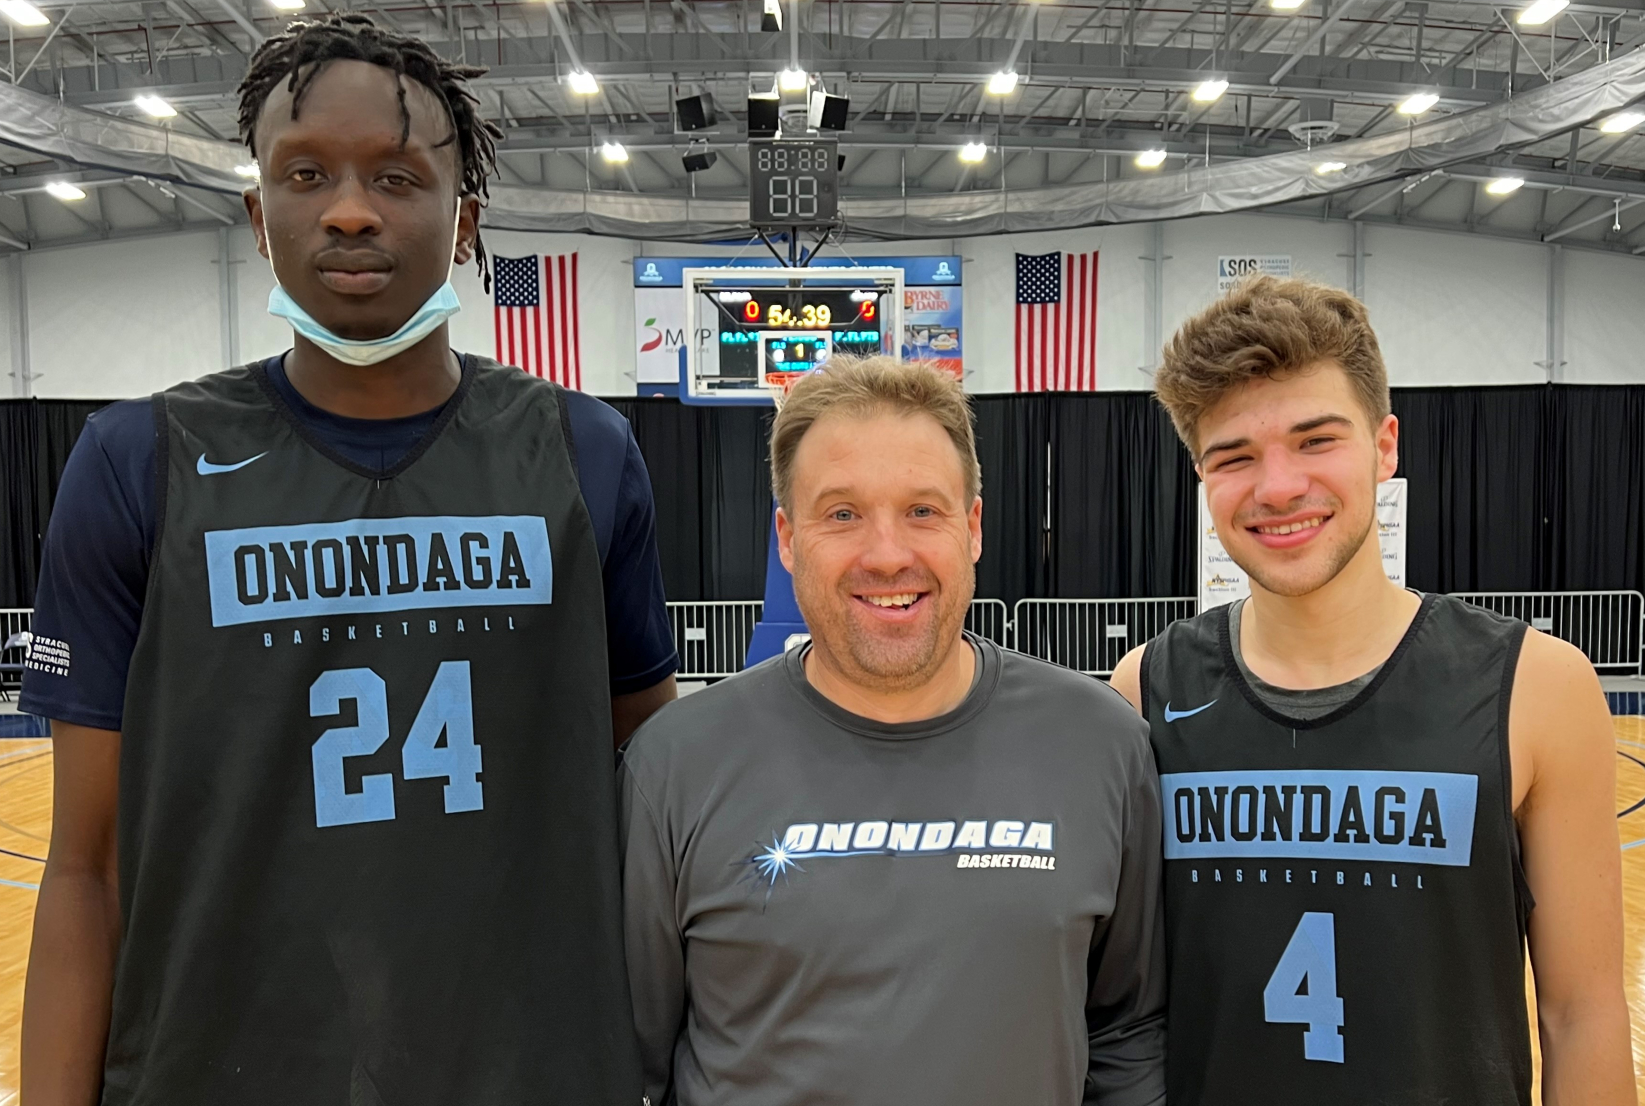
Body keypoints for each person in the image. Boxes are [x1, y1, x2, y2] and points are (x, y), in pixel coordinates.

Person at [20, 14, 674, 1104]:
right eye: (306, 172)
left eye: (399, 176)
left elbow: (657, 805)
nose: (353, 207)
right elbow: (82, 869)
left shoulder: (582, 451)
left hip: (533, 1069)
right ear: (255, 213)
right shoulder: (137, 461)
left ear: (465, 224)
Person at [1110, 275, 1634, 1105]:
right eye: (1233, 456)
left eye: (1315, 440)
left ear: (1385, 445)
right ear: (1199, 476)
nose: (1276, 486)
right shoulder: (1144, 686)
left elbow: (1582, 1016)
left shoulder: (1538, 684)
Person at [620, 357, 1166, 1106]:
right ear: (786, 538)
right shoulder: (674, 764)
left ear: (971, 528)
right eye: (841, 514)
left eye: (922, 511)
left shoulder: (1102, 742)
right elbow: (631, 1060)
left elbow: (1129, 1032)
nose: (885, 555)